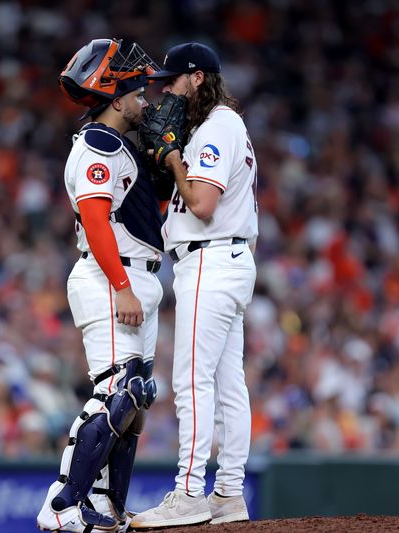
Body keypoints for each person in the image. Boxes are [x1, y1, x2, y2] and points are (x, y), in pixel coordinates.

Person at [36, 38, 167, 533]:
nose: (145, 102)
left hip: (136, 274)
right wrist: (120, 286)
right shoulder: (98, 143)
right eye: (137, 94)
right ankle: (64, 504)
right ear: (116, 100)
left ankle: (106, 504)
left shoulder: (119, 146)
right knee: (119, 388)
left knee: (135, 401)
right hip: (109, 273)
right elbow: (95, 219)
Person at [130, 42, 258, 529]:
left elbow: (201, 204)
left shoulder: (217, 127)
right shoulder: (225, 125)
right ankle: (228, 492)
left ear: (198, 78)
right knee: (228, 384)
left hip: (210, 259)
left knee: (191, 380)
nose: (165, 90)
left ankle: (189, 492)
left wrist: (175, 159)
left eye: (174, 80)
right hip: (226, 259)